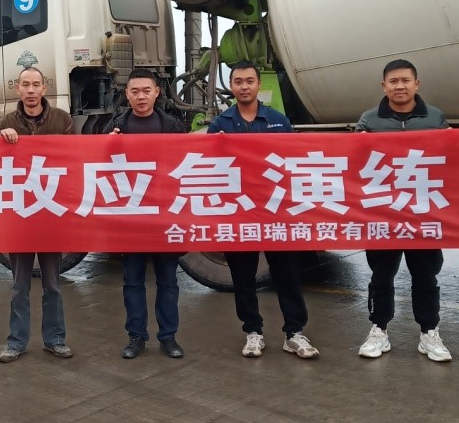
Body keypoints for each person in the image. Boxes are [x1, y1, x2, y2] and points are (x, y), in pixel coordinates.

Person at [207, 62, 319, 360]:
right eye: (238, 81)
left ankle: (294, 333)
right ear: (231, 86)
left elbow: (294, 162)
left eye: (249, 81)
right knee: (243, 276)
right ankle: (253, 331)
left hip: (274, 211)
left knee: (287, 273)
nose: (244, 86)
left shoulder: (278, 121)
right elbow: (210, 166)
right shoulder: (220, 125)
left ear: (258, 84)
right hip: (238, 211)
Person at [354, 59, 452, 362]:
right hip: (383, 213)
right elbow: (354, 164)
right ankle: (379, 330)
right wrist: (357, 145)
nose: (400, 86)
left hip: (423, 214)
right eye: (393, 81)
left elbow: (453, 158)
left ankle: (429, 332)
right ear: (384, 86)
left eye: (405, 80)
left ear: (416, 84)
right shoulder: (369, 120)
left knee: (425, 277)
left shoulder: (435, 117)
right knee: (381, 276)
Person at [104, 68, 186, 359]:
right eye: (135, 91)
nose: (141, 96)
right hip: (131, 216)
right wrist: (107, 144)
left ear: (157, 92)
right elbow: (99, 167)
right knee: (133, 281)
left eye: (146, 91)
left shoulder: (172, 126)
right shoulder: (116, 127)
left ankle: (168, 337)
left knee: (168, 281)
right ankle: (136, 336)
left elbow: (186, 164)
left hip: (165, 215)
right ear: (127, 94)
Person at [0, 66, 75, 363]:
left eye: (36, 84)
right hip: (19, 216)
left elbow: (74, 160)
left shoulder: (62, 120)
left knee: (53, 284)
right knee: (20, 285)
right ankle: (16, 342)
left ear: (44, 88)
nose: (30, 90)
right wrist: (1, 137)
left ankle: (55, 339)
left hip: (50, 212)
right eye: (25, 85)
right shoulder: (6, 122)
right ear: (17, 88)